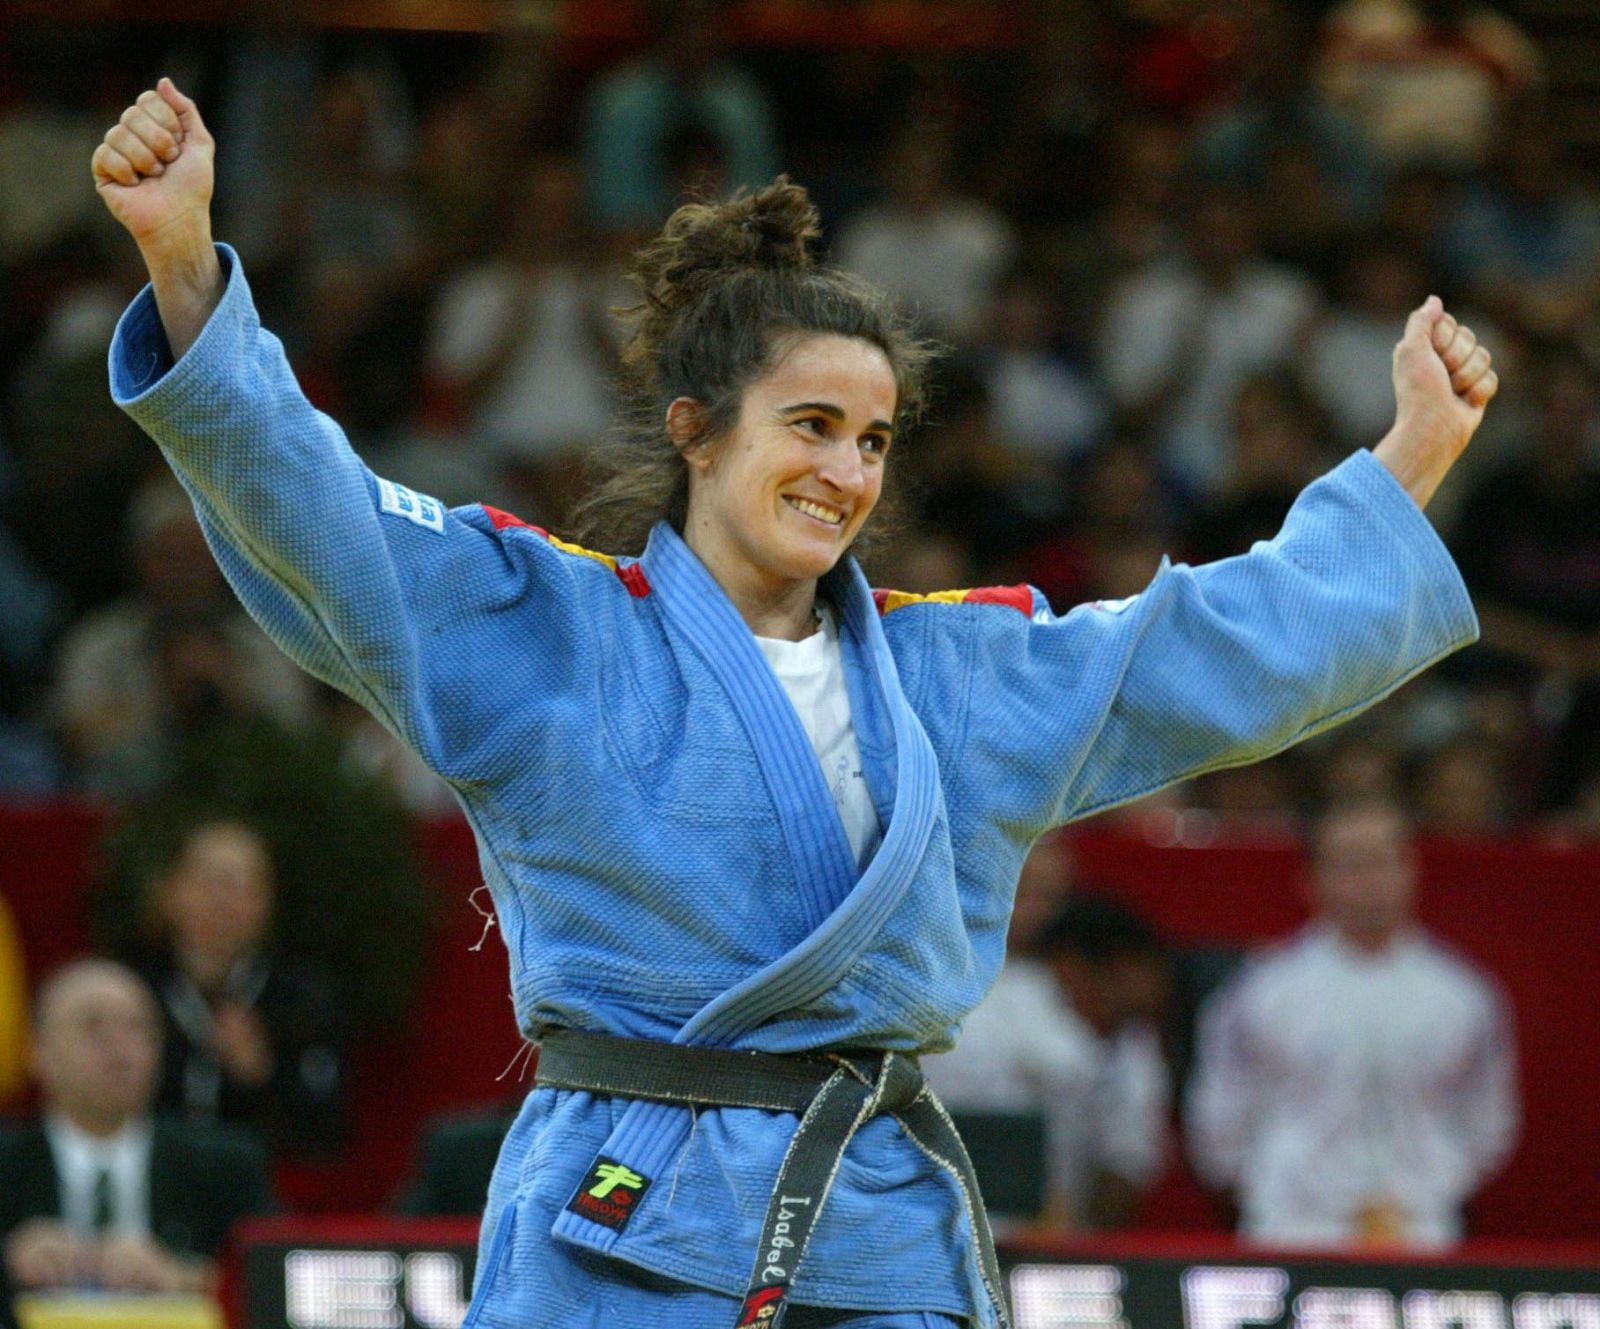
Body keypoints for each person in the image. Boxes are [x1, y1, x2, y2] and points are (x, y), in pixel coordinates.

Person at [93, 79, 1496, 1329]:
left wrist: (1404, 465)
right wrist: (181, 269)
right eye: (811, 426)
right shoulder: (551, 631)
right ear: (697, 427)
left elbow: (1205, 650)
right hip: (619, 1218)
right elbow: (323, 515)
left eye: (875, 438)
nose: (848, 470)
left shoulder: (955, 674)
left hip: (879, 1226)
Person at [1185, 799, 1519, 1247]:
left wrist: (1435, 1183)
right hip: (1291, 1228)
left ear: (1412, 869)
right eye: (1350, 865)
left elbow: (1488, 1120)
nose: (1370, 882)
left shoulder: (1462, 995)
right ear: (1312, 879)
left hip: (1422, 1231)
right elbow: (1219, 1117)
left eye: (1383, 862)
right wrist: (1269, 1186)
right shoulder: (1261, 991)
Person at [0, 959, 272, 1326]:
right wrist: (7, 1263)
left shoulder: (225, 1163)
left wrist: (187, 1277)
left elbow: (279, 1279)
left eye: (138, 1027)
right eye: (93, 1027)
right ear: (37, 1051)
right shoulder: (7, 1161)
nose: (120, 1048)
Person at [925, 891, 1171, 1231]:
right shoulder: (987, 1013)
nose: (1146, 990)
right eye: (1123, 974)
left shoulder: (1135, 1045)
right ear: (1071, 967)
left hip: (1057, 1250)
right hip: (954, 1224)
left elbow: (1127, 1165)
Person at [134, 819, 350, 1159]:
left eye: (241, 885)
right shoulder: (132, 990)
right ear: (169, 892)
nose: (223, 901)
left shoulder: (302, 995)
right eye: (209, 882)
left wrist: (262, 1074)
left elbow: (326, 1134)